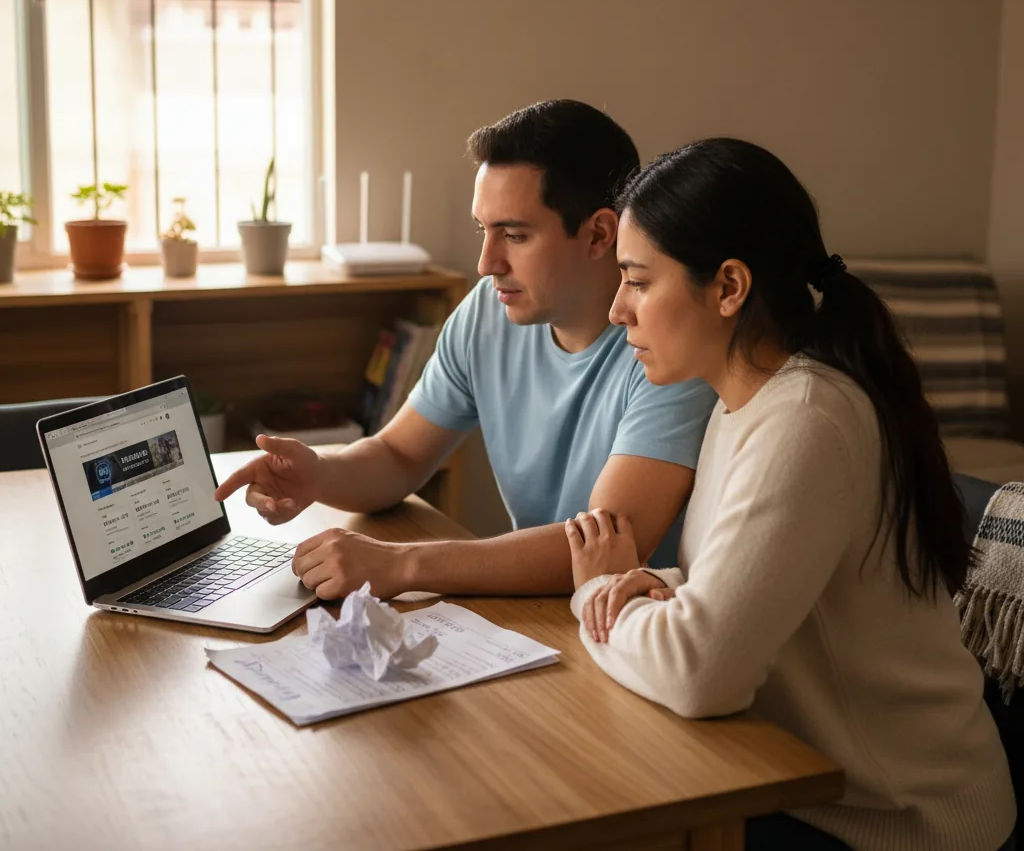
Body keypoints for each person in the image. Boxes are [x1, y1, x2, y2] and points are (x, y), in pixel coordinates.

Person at [565, 138, 1016, 851]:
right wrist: (662, 585)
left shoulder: (807, 420)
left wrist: (599, 595)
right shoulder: (743, 403)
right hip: (817, 789)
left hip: (898, 826)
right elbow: (765, 583)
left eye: (640, 281)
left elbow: (701, 674)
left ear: (729, 287)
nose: (619, 308)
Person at [215, 100, 717, 599]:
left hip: (634, 633)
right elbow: (398, 454)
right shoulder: (489, 310)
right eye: (484, 230)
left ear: (599, 234)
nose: (485, 262)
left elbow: (605, 546)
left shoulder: (671, 345)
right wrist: (318, 474)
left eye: (514, 235)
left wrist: (403, 565)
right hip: (542, 619)